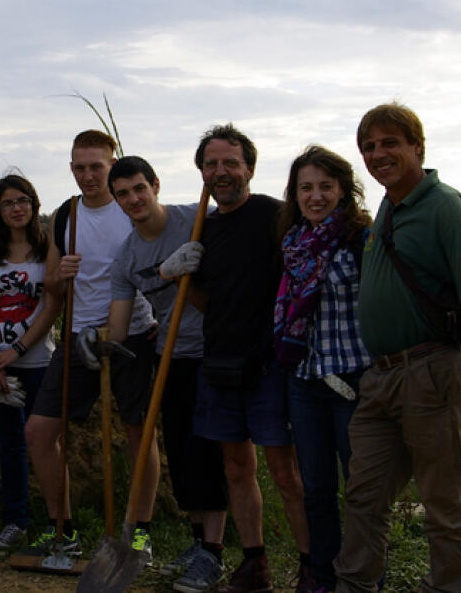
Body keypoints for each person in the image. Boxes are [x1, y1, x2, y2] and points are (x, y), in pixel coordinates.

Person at [333, 103, 461, 593]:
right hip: (381, 378)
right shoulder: (389, 208)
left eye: (390, 143)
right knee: (364, 497)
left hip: (431, 371)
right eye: (369, 147)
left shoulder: (444, 206)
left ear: (417, 146)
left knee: (443, 503)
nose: (378, 154)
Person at [159, 124, 310, 592]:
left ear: (249, 168)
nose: (220, 173)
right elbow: (211, 301)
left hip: (270, 366)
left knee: (286, 473)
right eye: (210, 164)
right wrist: (175, 275)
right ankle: (254, 564)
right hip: (220, 363)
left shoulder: (276, 216)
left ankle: (312, 567)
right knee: (236, 468)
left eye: (229, 163)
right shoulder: (205, 228)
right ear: (201, 171)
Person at [21, 130, 158, 558]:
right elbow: (50, 289)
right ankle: (62, 527)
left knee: (139, 432)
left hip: (132, 335)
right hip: (78, 335)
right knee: (39, 431)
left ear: (112, 162)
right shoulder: (66, 215)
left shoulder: (130, 208)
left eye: (96, 166)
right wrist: (59, 275)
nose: (87, 175)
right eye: (79, 167)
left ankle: (139, 531)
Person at [106, 156, 229, 592]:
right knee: (181, 453)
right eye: (123, 194)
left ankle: (214, 553)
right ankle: (198, 544)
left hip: (217, 350)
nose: (133, 199)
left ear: (155, 185)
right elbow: (118, 327)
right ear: (116, 200)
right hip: (172, 356)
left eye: (139, 188)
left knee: (210, 451)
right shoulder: (126, 258)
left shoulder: (198, 220)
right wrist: (94, 339)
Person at [273, 146, 372, 592]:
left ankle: (364, 578)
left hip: (354, 379)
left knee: (361, 490)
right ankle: (324, 577)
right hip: (306, 381)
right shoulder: (292, 243)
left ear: (343, 191)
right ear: (294, 194)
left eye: (325, 187)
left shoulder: (361, 240)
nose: (315, 196)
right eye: (305, 188)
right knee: (315, 489)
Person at [0, 170, 61, 550]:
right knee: (10, 442)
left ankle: (59, 524)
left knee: (45, 442)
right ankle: (16, 521)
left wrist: (17, 350)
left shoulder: (47, 251)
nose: (16, 208)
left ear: (33, 203)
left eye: (22, 200)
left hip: (37, 361)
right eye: (7, 202)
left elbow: (52, 306)